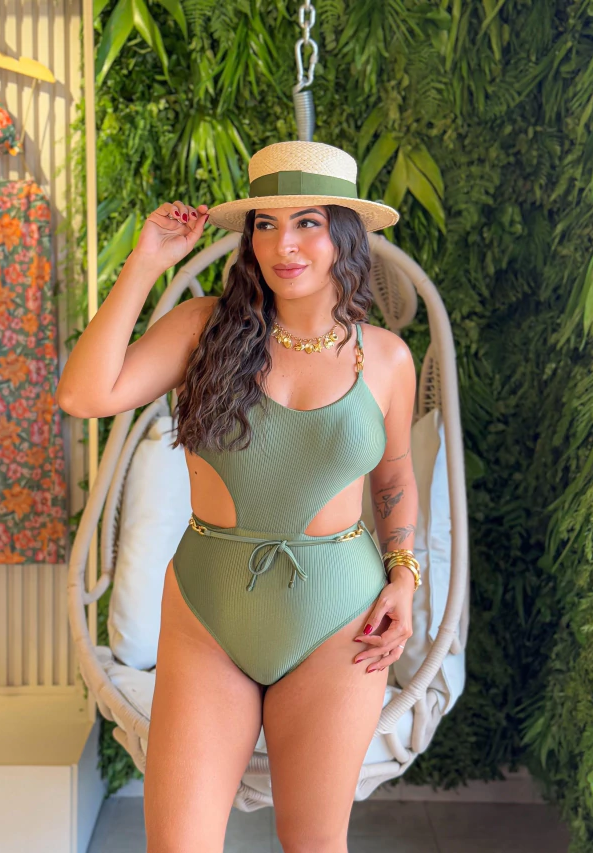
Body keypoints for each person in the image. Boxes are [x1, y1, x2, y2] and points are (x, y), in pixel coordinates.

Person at [56, 140, 420, 853]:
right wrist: (145, 262)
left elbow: (395, 480)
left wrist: (404, 577)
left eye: (308, 223)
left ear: (346, 234)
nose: (284, 245)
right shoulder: (204, 330)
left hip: (339, 619)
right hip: (209, 612)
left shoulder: (385, 358)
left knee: (314, 842)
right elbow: (84, 394)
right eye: (266, 224)